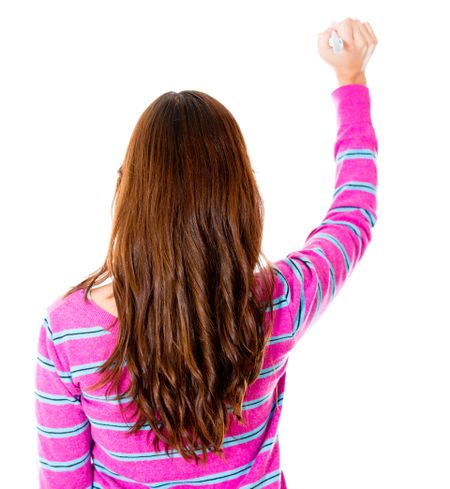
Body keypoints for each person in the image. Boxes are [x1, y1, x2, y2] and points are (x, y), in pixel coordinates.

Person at [35, 17, 378, 488]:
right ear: (241, 198)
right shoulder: (276, 303)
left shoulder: (69, 332)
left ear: (131, 194)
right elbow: (354, 213)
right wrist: (351, 77)